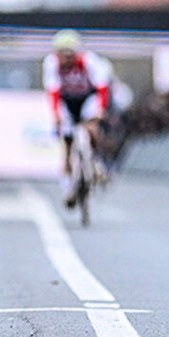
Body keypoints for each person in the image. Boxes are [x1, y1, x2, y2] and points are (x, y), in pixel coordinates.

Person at [43, 29, 111, 206]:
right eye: (62, 54)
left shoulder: (90, 61)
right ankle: (68, 188)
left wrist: (101, 110)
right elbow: (53, 92)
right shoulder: (51, 64)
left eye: (69, 54)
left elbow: (102, 87)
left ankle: (97, 161)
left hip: (88, 97)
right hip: (67, 101)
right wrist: (57, 115)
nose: (66, 59)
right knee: (67, 142)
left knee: (93, 127)